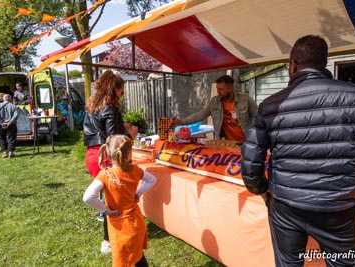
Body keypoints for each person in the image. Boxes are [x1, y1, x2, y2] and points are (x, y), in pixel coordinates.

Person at [241, 35, 355, 267]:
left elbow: (251, 161)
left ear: (292, 64)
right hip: (338, 207)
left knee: (288, 264)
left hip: (286, 205)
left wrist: (263, 191)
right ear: (323, 62)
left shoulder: (272, 104)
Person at [83, 70, 138, 254]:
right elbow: (113, 139)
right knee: (112, 199)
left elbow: (104, 130)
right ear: (114, 89)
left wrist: (123, 127)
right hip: (105, 156)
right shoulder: (109, 107)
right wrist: (130, 135)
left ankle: (109, 230)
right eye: (121, 91)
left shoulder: (94, 104)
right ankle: (108, 241)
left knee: (107, 195)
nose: (122, 96)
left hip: (93, 154)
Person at [83, 134, 156, 267]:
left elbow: (88, 197)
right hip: (137, 223)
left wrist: (106, 210)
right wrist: (138, 193)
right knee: (138, 256)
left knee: (122, 260)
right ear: (128, 154)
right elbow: (152, 179)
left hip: (120, 228)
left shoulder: (105, 175)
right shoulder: (135, 170)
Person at [172, 75, 257, 142]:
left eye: (221, 89)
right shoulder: (215, 101)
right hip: (225, 143)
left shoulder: (246, 99)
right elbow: (201, 114)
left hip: (246, 143)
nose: (218, 91)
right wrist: (181, 121)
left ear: (230, 89)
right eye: (217, 89)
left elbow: (259, 116)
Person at [0, 94, 18, 158]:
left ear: (3, 99)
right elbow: (15, 116)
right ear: (10, 99)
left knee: (2, 138)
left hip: (0, 125)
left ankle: (4, 152)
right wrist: (9, 123)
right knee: (12, 138)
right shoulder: (13, 106)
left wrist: (2, 123)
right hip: (11, 124)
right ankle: (11, 152)